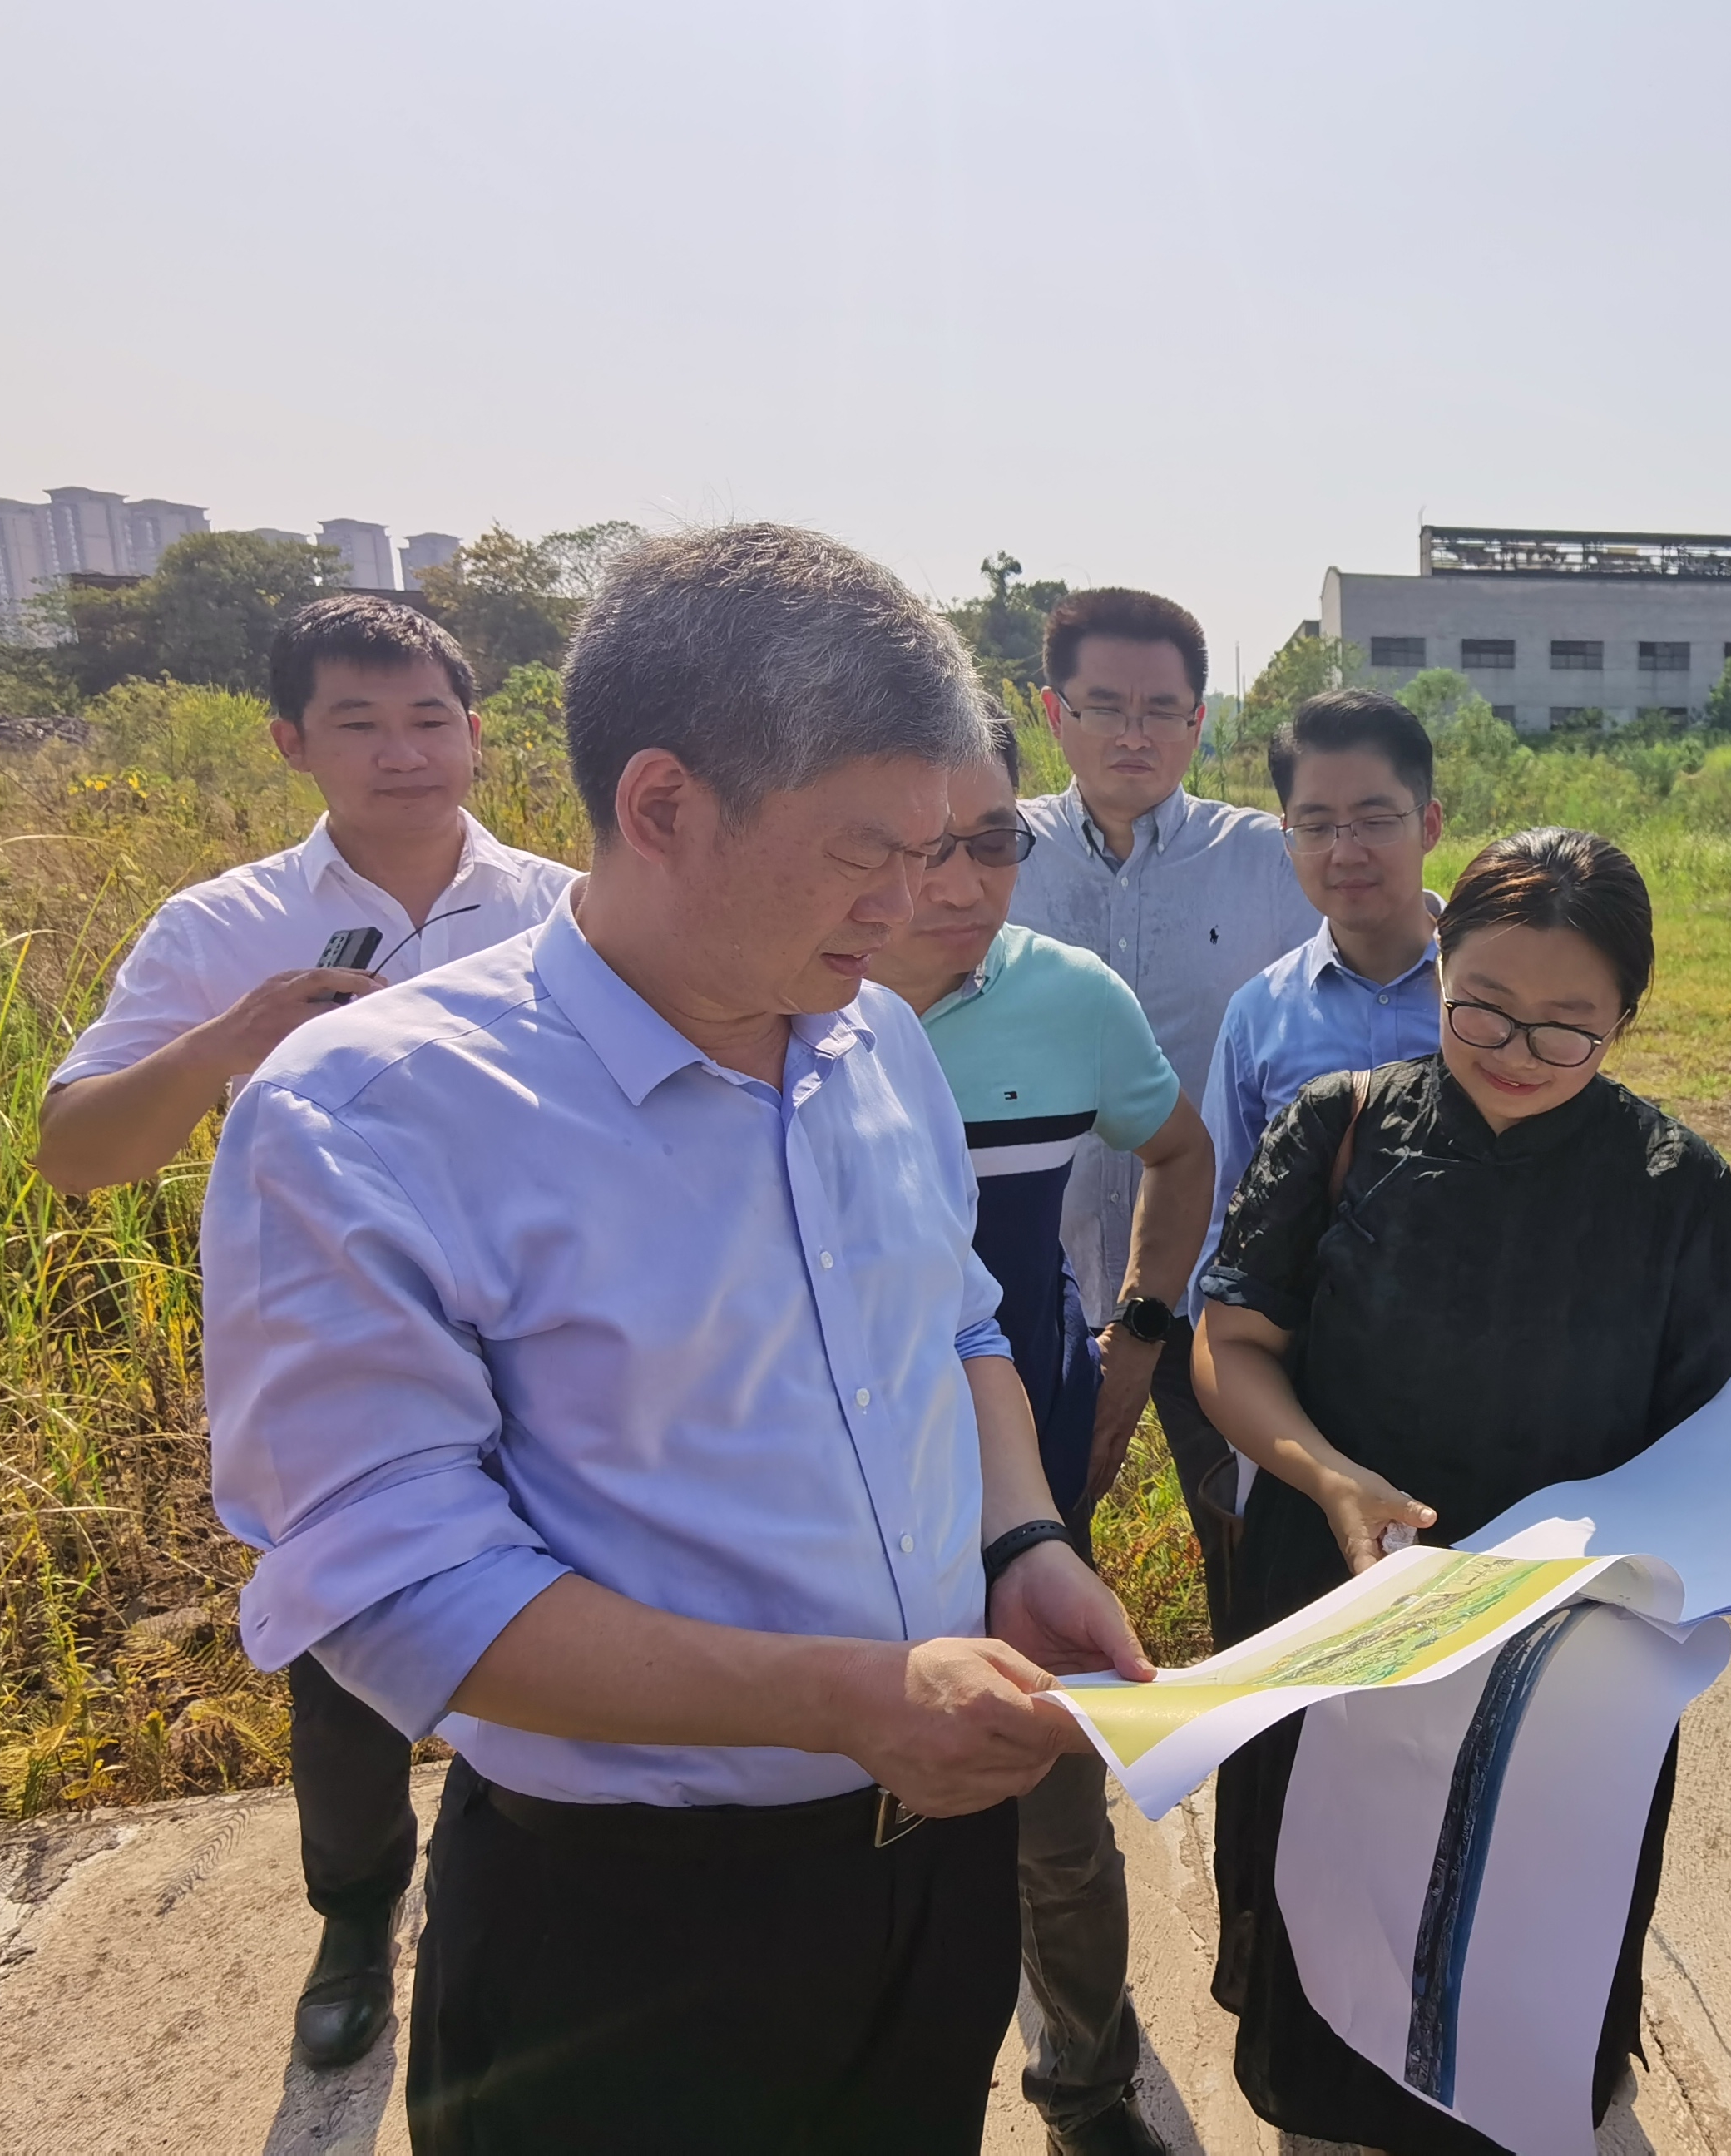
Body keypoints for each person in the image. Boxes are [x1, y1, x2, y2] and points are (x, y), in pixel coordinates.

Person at [202, 525, 1150, 2150]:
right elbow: (396, 1591)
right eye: (867, 851)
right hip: (626, 1928)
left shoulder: (874, 1045)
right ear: (661, 806)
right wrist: (845, 1696)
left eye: (945, 848)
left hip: (934, 1869)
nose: (920, 904)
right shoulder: (372, 1116)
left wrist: (1023, 1540)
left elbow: (958, 1324)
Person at [35, 593, 576, 2073]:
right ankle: (354, 1912)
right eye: (360, 723)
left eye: (430, 720)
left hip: (545, 1329)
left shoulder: (567, 908)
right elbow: (76, 1151)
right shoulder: (224, 926)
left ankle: (537, 1886)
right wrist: (229, 1039)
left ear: (476, 731)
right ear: (291, 742)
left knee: (569, 1606)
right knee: (350, 1643)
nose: (405, 754)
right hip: (334, 1346)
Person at [1193, 826, 1731, 2150]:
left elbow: (1721, 1447)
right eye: (1485, 1008)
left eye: (1569, 1027)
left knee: (1531, 1949)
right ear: (1440, 968)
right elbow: (1236, 1345)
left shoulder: (1676, 1190)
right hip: (1347, 1597)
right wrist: (1331, 1478)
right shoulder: (1342, 1128)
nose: (1517, 1050)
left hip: (1566, 1657)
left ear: (1627, 1017)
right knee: (1329, 1917)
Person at [865, 706, 1211, 2156]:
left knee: (1054, 1810)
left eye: (994, 841)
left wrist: (1139, 1336)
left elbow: (1177, 1151)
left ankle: (1083, 2078)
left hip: (1032, 1460)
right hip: (842, 1472)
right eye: (915, 846)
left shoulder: (1072, 997)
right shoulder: (769, 1006)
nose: (957, 884)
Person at [1006, 588, 1318, 1631]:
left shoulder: (1269, 861)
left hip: (1216, 1286)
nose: (1132, 735)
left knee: (1253, 1542)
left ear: (1199, 720)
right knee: (1027, 1544)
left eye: (1161, 710)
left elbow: (1401, 939)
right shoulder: (991, 855)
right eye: (1104, 706)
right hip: (1030, 1276)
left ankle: (1257, 1723)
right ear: (1053, 712)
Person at [1198, 685, 1446, 1310]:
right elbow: (1223, 1214)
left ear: (1429, 825)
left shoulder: (1498, 1002)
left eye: (1375, 821)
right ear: (1287, 836)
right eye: (1315, 826)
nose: (1345, 852)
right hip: (1298, 1352)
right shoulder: (1258, 1016)